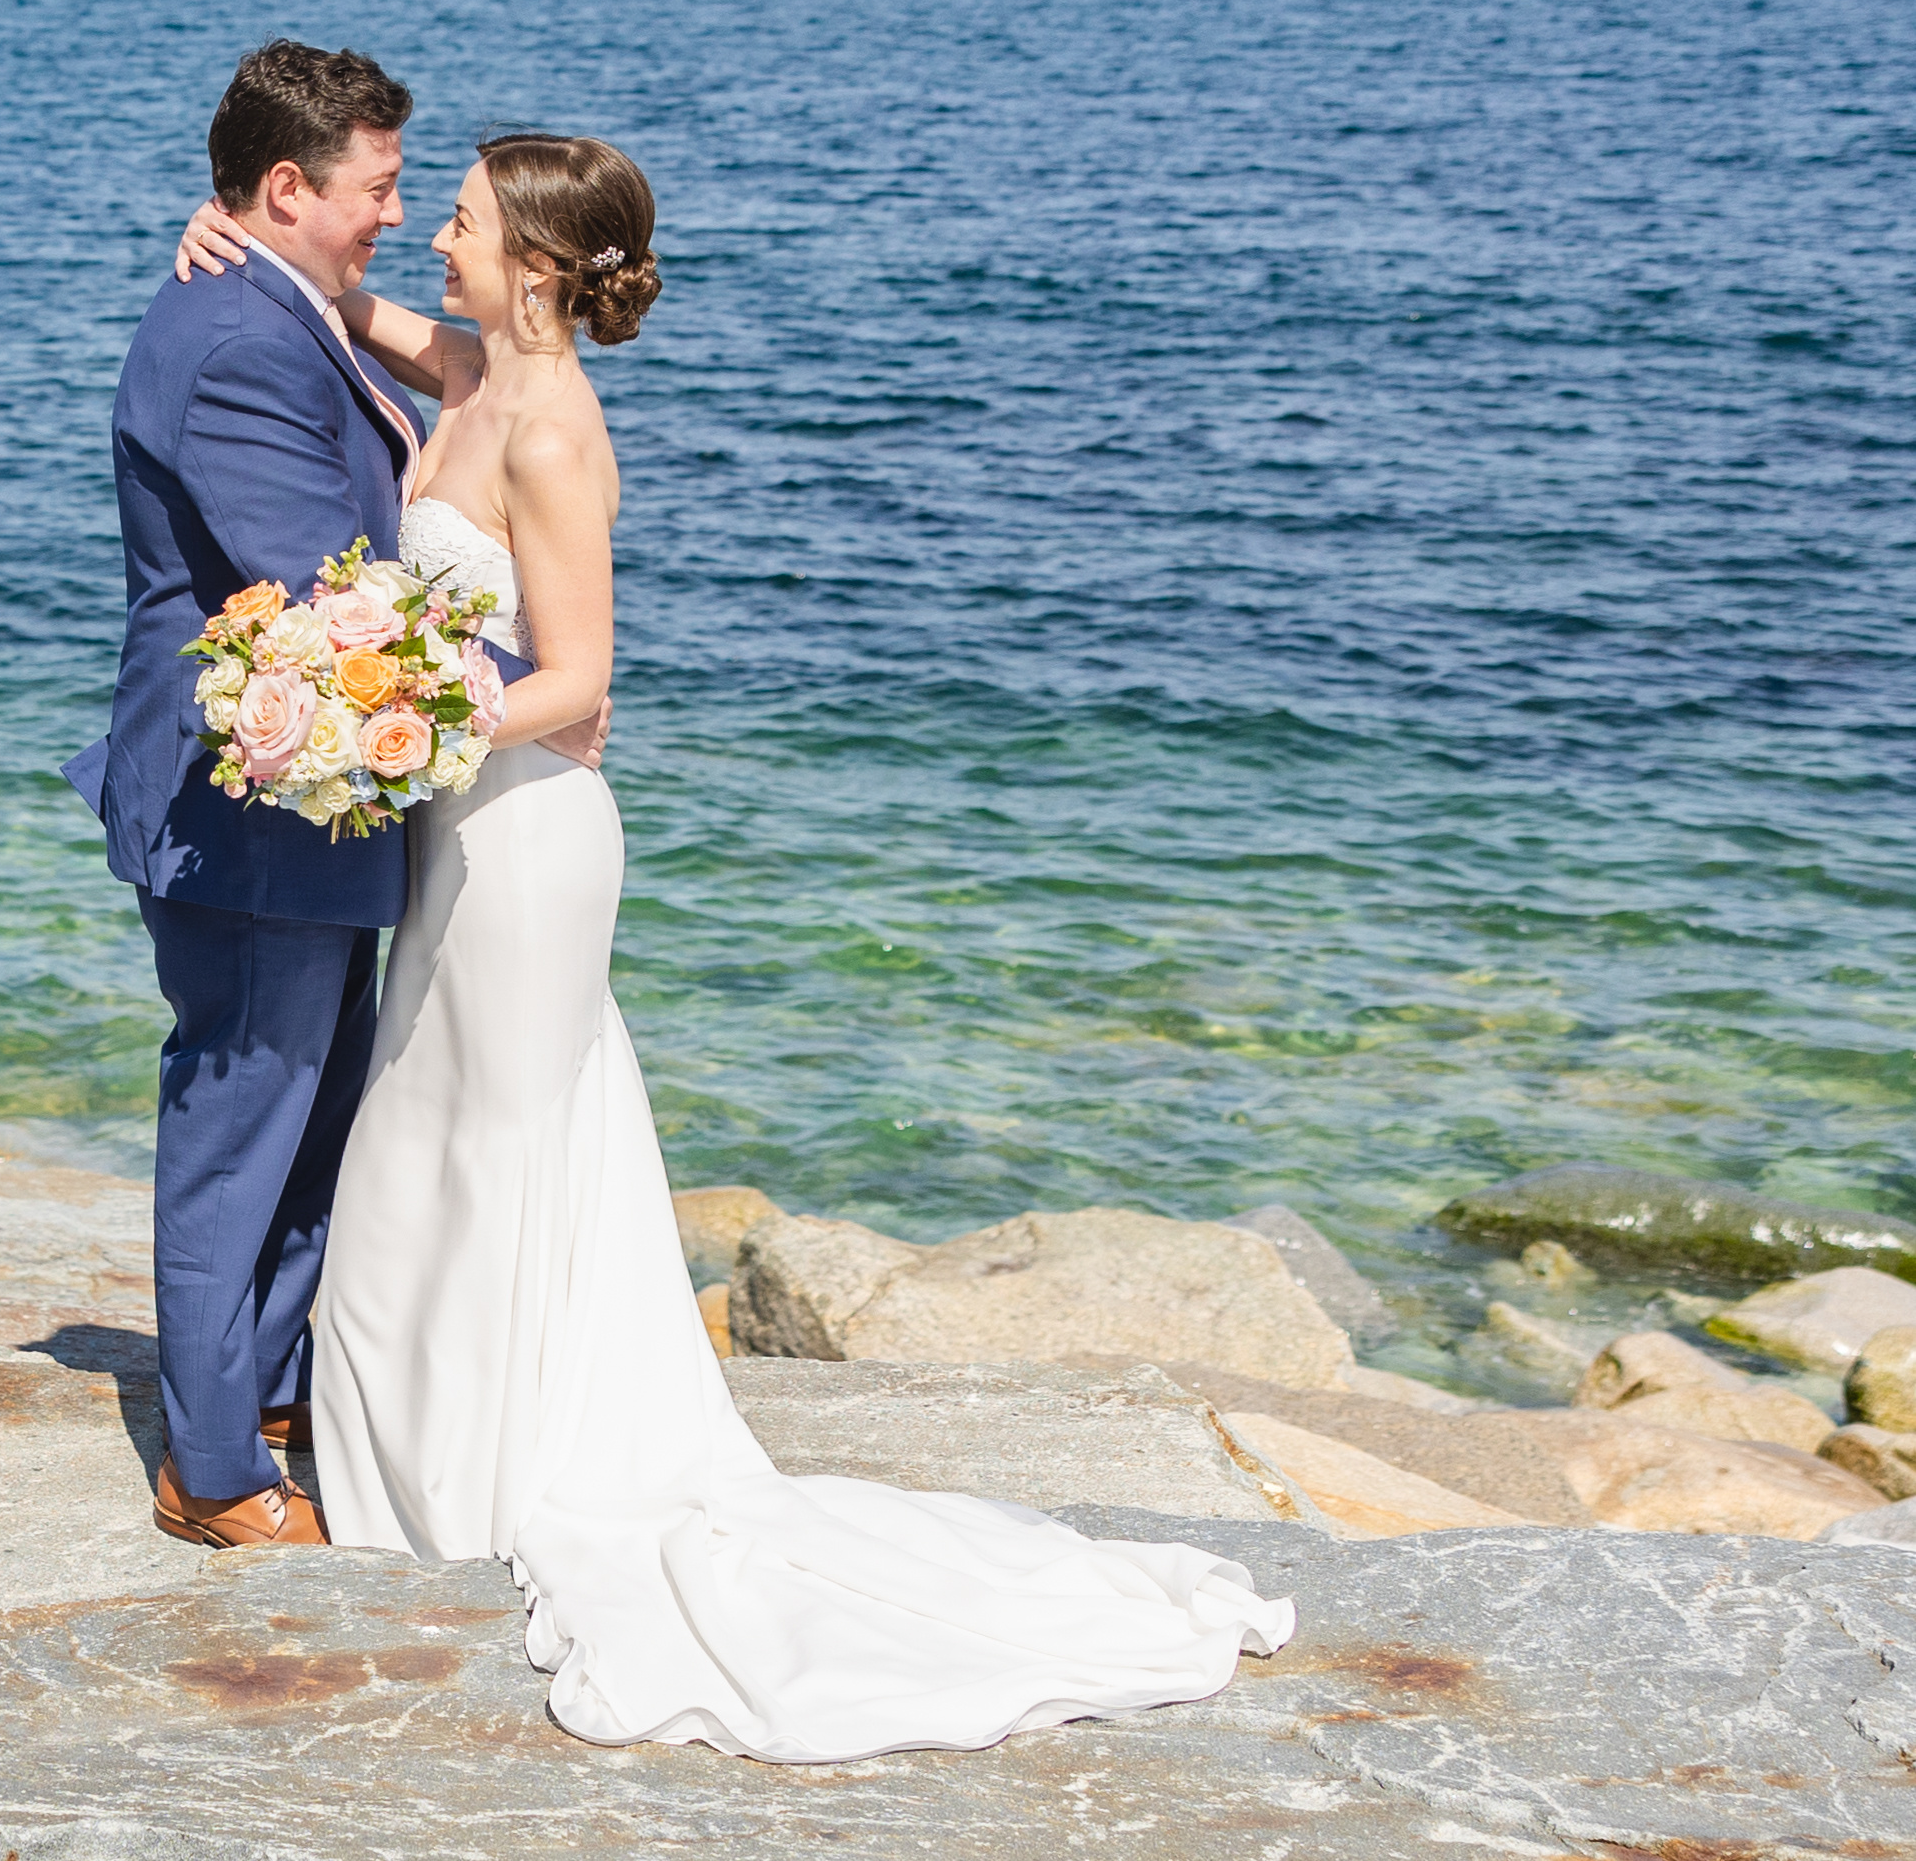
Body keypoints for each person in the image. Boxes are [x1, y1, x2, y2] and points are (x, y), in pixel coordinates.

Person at [167, 135, 1293, 1760]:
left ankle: (494, 1472)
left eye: (468, 223)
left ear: (538, 266)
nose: (442, 240)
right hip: (454, 835)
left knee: (490, 1136)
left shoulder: (551, 428)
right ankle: (418, 1450)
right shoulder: (481, 369)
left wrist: (398, 712)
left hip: (525, 839)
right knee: (429, 1130)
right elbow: (354, 314)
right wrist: (238, 236)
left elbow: (584, 677)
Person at [76, 40, 489, 1548]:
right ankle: (211, 1468)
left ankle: (257, 1384)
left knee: (314, 1110)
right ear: (283, 187)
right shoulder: (242, 339)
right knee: (245, 1112)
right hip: (247, 801)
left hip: (304, 803)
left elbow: (480, 367)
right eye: (377, 189)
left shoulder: (273, 297)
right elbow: (329, 589)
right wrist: (516, 677)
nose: (392, 213)